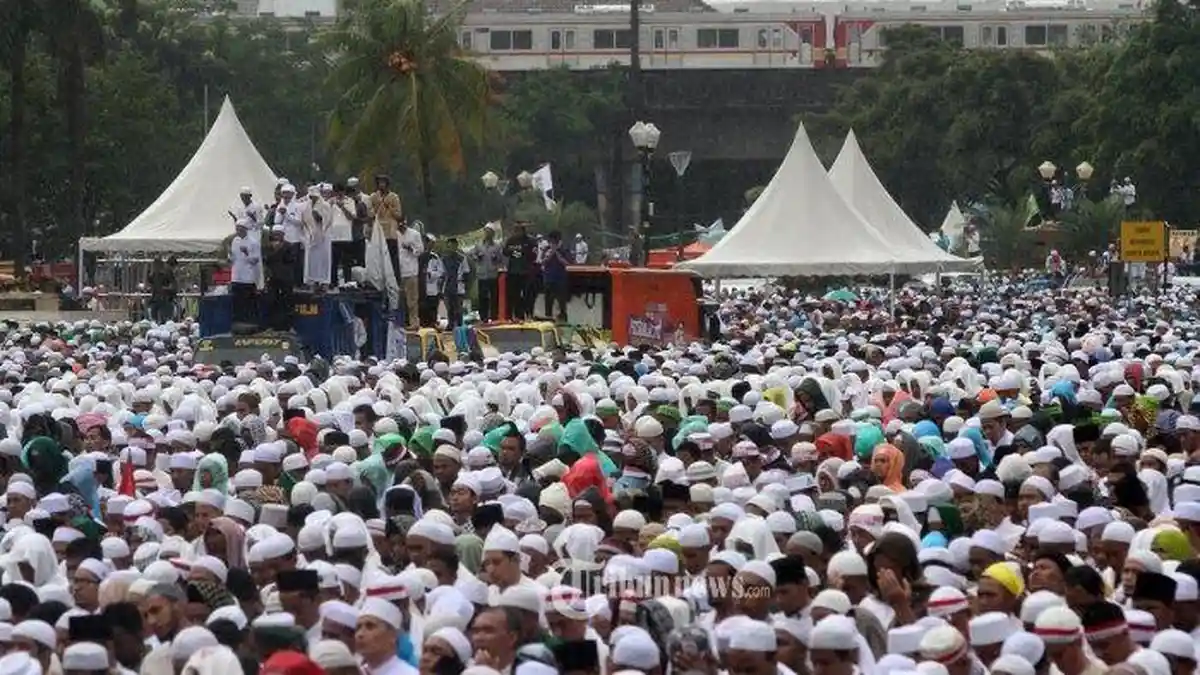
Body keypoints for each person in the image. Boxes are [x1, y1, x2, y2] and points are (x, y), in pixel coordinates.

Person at [369, 175, 403, 276]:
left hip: (390, 232)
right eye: (379, 183)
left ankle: (395, 278)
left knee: (392, 257)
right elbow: (370, 214)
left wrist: (389, 206)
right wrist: (377, 205)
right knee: (378, 258)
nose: (381, 185)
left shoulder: (394, 197)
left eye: (383, 183)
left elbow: (399, 215)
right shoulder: (373, 197)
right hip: (378, 232)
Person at [264, 227, 298, 331]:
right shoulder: (268, 247)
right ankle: (271, 325)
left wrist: (279, 249)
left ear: (283, 235)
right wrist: (275, 250)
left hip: (286, 278)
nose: (277, 236)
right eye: (275, 234)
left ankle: (288, 326)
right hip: (273, 278)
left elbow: (291, 260)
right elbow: (266, 259)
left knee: (287, 302)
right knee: (271, 301)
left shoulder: (289, 246)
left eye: (279, 234)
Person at [229, 221, 261, 327]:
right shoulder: (235, 240)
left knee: (248, 302)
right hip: (236, 276)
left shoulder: (253, 242)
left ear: (245, 229)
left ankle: (249, 323)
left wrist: (247, 253)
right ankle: (237, 323)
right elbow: (234, 257)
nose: (237, 231)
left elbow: (255, 260)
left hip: (248, 277)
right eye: (236, 228)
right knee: (237, 302)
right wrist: (230, 257)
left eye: (240, 229)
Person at [503, 222, 536, 321]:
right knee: (514, 296)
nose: (516, 232)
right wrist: (515, 253)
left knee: (528, 295)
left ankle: (529, 314)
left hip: (526, 272)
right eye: (515, 230)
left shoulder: (530, 240)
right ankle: (517, 316)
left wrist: (521, 254)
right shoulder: (511, 240)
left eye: (518, 230)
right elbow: (505, 252)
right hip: (513, 271)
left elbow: (533, 255)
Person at [303, 185, 333, 290]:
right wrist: (310, 231)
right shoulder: (307, 206)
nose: (312, 198)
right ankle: (313, 280)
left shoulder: (325, 205)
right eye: (311, 196)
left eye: (314, 196)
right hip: (312, 235)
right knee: (312, 258)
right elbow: (305, 220)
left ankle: (324, 281)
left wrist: (319, 217)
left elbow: (328, 220)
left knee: (324, 258)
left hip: (323, 235)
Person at [396, 219, 424, 330]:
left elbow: (420, 250)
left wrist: (410, 248)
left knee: (412, 300)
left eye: (402, 223)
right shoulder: (394, 233)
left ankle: (414, 323)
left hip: (411, 271)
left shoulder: (414, 234)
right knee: (399, 300)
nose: (400, 226)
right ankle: (399, 323)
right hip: (398, 272)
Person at [474, 226, 503, 323]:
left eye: (490, 232)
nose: (487, 234)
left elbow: (501, 259)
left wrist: (496, 258)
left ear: (493, 234)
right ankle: (484, 317)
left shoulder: (497, 246)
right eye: (486, 232)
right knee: (483, 297)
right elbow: (472, 255)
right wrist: (477, 257)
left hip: (492, 274)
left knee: (494, 297)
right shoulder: (478, 245)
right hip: (482, 274)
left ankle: (494, 316)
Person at [541, 231, 570, 322]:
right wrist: (550, 253)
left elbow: (567, 263)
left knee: (562, 303)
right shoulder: (546, 249)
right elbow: (543, 262)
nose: (552, 243)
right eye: (551, 241)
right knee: (548, 302)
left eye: (554, 241)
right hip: (548, 279)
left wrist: (557, 253)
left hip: (560, 280)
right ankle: (548, 319)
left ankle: (563, 319)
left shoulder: (564, 250)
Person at [441, 237, 470, 329]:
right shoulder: (444, 259)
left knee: (458, 308)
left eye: (453, 246)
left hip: (458, 286)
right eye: (449, 246)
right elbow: (442, 273)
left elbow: (466, 272)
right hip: (448, 286)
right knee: (449, 308)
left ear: (456, 246)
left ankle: (460, 324)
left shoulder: (462, 258)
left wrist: (465, 284)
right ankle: (450, 324)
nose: (451, 248)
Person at [147, 256, 177, 323]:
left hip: (164, 299)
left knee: (162, 319)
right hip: (158, 299)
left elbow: (173, 286)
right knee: (156, 319)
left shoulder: (166, 272)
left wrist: (166, 289)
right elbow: (150, 283)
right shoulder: (154, 274)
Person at [421, 243, 443, 329]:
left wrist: (431, 274)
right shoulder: (420, 256)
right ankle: (424, 324)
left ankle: (433, 323)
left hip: (432, 286)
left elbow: (441, 272)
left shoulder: (435, 258)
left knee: (433, 306)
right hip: (421, 287)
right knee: (423, 307)